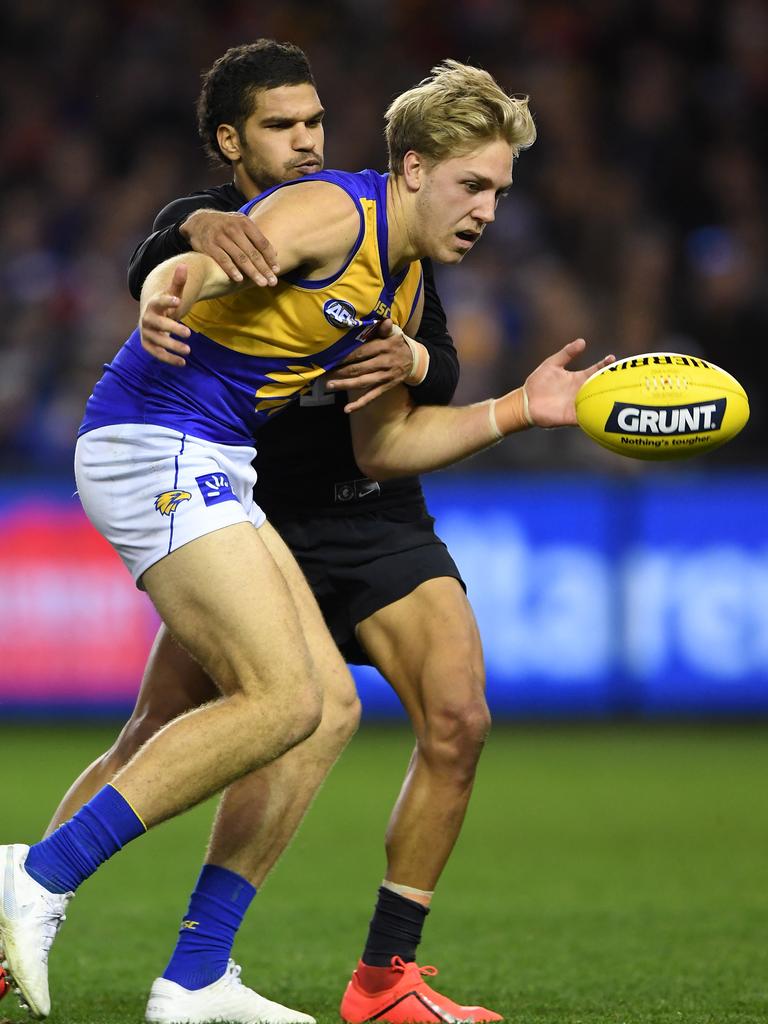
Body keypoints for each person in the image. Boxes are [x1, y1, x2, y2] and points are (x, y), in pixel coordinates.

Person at [0, 54, 610, 1024]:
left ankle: (195, 974)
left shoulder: (401, 285)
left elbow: (389, 440)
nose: (490, 208)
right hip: (153, 441)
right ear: (412, 168)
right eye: (474, 184)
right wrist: (172, 280)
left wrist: (519, 409)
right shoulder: (336, 212)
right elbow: (220, 251)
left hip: (217, 463)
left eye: (500, 189)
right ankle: (36, 876)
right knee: (275, 696)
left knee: (322, 707)